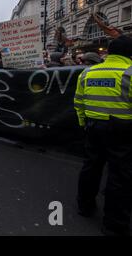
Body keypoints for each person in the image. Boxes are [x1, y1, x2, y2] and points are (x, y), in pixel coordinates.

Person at [74, 35, 132, 236]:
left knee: (91, 167)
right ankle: (114, 224)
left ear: (108, 52)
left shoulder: (88, 72)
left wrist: (84, 123)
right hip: (122, 130)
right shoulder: (130, 72)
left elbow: (79, 101)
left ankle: (84, 206)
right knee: (119, 175)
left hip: (92, 125)